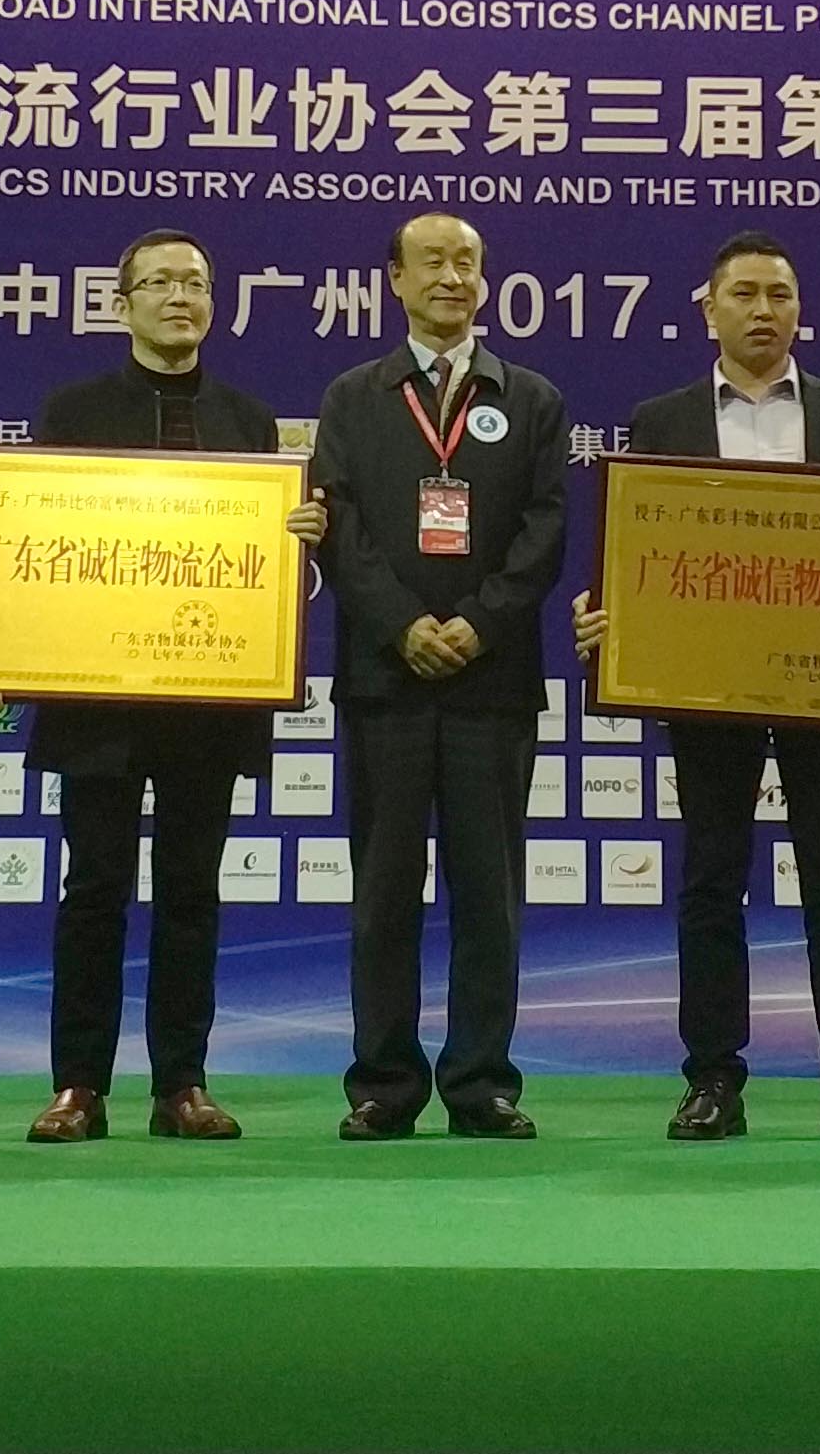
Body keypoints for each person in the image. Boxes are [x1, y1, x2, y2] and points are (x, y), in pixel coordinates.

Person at [565, 231, 820, 1143]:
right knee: (713, 879)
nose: (763, 310)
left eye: (780, 295)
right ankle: (713, 1079)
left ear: (800, 311)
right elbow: (643, 550)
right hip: (707, 684)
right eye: (745, 294)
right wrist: (612, 618)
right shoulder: (663, 419)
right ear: (707, 310)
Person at [0, 229, 326, 1143]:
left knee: (192, 893)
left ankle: (181, 1085)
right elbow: (30, 546)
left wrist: (299, 538)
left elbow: (267, 565)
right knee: (94, 890)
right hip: (99, 702)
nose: (179, 297)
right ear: (121, 305)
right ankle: (78, 1084)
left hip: (208, 699)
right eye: (158, 282)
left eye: (195, 282)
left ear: (214, 303)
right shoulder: (74, 410)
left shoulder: (250, 421)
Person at [309, 211, 569, 1140]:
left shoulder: (530, 397)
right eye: (433, 262)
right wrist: (403, 625)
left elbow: (545, 531)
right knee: (383, 891)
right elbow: (338, 526)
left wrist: (477, 624)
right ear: (395, 280)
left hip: (491, 684)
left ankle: (482, 1082)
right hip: (384, 678)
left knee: (488, 895)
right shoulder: (354, 396)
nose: (452, 277)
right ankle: (382, 1083)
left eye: (467, 262)